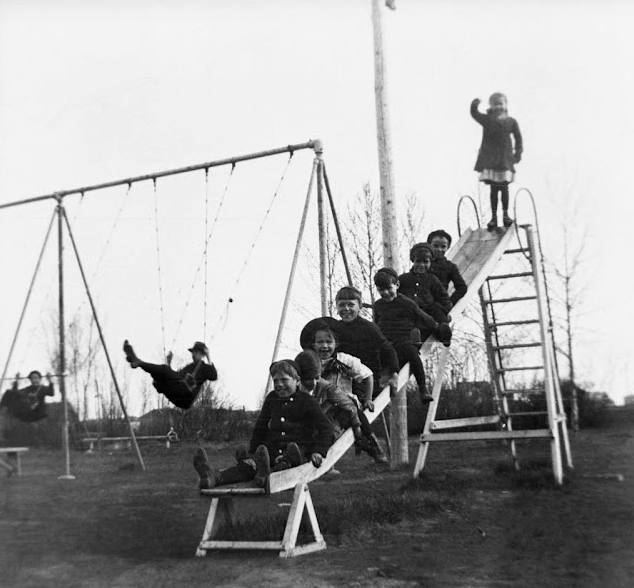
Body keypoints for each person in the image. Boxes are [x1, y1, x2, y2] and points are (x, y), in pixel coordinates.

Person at [193, 359, 333, 489]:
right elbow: (260, 428)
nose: (279, 384)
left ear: (297, 381)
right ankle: (213, 477)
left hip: (297, 454)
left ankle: (265, 474)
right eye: (275, 380)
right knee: (248, 467)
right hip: (270, 453)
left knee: (287, 460)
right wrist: (252, 454)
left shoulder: (307, 401)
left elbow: (326, 428)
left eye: (284, 380)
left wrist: (318, 451)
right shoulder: (272, 398)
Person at [298, 334, 387, 463]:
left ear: (336, 344)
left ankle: (372, 444)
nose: (324, 346)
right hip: (321, 405)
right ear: (313, 345)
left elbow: (368, 375)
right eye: (320, 342)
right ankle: (305, 456)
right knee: (320, 427)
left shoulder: (343, 360)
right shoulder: (309, 361)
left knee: (349, 414)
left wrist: (368, 399)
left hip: (343, 402)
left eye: (329, 342)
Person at [300, 285, 400, 398]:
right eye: (342, 305)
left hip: (365, 377)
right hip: (342, 375)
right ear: (336, 307)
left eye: (351, 304)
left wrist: (394, 375)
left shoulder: (369, 328)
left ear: (359, 307)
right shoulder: (335, 329)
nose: (346, 309)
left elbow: (388, 350)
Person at [373, 268, 452, 403]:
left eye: (388, 288)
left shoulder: (407, 303)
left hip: (403, 339)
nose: (385, 293)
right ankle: (374, 389)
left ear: (397, 285)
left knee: (412, 354)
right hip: (386, 341)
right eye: (381, 290)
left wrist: (439, 328)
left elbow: (424, 318)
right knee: (376, 358)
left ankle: (422, 388)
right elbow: (376, 324)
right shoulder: (378, 305)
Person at [471, 93, 523, 229]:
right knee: (494, 189)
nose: (498, 106)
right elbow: (476, 115)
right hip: (491, 161)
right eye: (495, 104)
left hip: (505, 160)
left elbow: (518, 138)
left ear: (505, 105)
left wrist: (518, 154)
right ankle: (494, 217)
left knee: (504, 188)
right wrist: (475, 105)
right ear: (491, 106)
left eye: (501, 103)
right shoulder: (488, 120)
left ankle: (506, 215)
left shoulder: (511, 121)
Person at [123, 340, 217, 409]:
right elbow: (176, 376)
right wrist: (168, 363)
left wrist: (209, 356)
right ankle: (137, 362)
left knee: (164, 370)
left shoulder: (205, 367)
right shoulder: (189, 367)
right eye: (193, 353)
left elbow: (214, 376)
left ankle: (138, 362)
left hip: (186, 396)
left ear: (202, 354)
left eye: (196, 353)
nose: (193, 355)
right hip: (179, 394)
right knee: (158, 378)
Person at [398, 242, 453, 326]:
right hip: (408, 314)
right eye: (418, 261)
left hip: (427, 315)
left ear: (430, 262)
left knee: (436, 308)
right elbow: (395, 295)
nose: (421, 265)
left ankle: (443, 330)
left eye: (425, 262)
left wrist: (445, 312)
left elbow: (444, 298)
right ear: (413, 261)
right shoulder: (403, 279)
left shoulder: (432, 279)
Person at [426, 230, 468, 306]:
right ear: (429, 245)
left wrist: (450, 302)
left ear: (448, 247)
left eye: (443, 247)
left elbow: (462, 287)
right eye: (435, 246)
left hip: (438, 305)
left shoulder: (450, 266)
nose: (439, 249)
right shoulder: (423, 263)